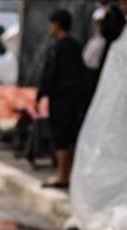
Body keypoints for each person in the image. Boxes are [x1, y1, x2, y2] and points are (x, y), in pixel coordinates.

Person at [36, 9, 87, 189]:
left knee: (60, 138)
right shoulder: (76, 46)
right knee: (71, 137)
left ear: (57, 25)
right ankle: (68, 174)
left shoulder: (58, 48)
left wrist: (41, 94)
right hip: (75, 99)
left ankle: (61, 175)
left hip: (60, 99)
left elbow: (50, 74)